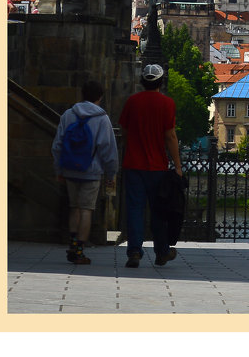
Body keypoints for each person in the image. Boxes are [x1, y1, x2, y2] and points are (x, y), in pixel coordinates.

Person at [118, 64, 183, 269]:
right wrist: (178, 166)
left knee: (135, 209)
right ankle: (161, 251)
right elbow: (170, 136)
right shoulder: (167, 103)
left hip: (133, 164)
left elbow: (124, 130)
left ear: (142, 81)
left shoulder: (132, 101)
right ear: (161, 82)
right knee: (158, 211)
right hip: (157, 167)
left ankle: (135, 251)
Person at [51, 80, 119, 265]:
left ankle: (73, 243)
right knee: (87, 209)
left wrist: (59, 169)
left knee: (74, 208)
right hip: (92, 171)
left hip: (70, 169)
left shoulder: (68, 115)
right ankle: (79, 250)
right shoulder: (102, 118)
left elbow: (57, 145)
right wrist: (111, 173)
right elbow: (108, 149)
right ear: (100, 97)